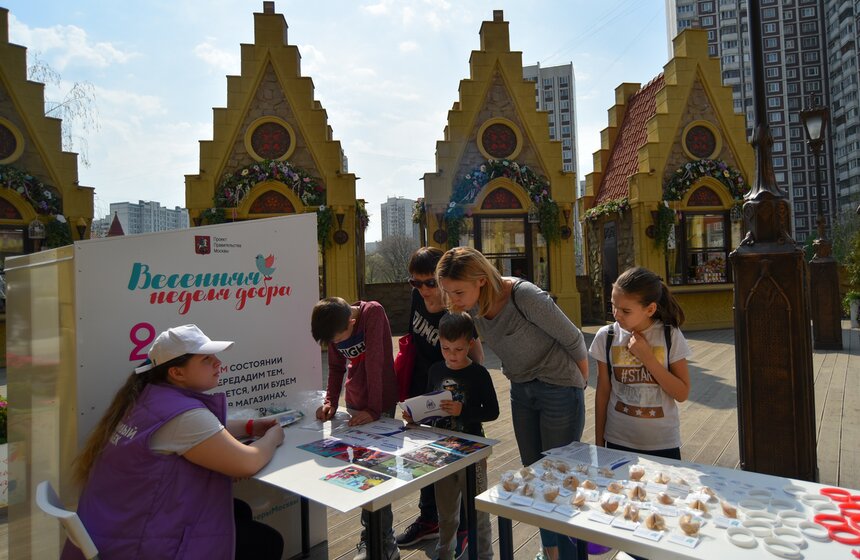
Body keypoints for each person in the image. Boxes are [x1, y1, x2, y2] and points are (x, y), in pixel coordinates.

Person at [63, 324, 285, 560]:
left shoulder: (150, 397)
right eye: (207, 359)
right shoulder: (183, 416)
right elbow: (247, 463)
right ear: (177, 373)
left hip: (116, 528)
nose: (218, 363)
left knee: (238, 510)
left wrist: (250, 426)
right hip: (138, 544)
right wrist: (273, 436)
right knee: (268, 542)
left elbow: (200, 432)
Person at [436, 247, 589, 560]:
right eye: (447, 292)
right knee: (536, 476)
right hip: (521, 390)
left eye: (458, 292)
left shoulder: (523, 296)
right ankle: (551, 552)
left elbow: (573, 338)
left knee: (559, 477)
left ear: (481, 280)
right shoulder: (474, 309)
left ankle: (569, 555)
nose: (452, 300)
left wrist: (579, 382)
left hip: (559, 389)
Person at [396, 247, 484, 552]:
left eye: (429, 283)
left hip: (452, 401)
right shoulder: (416, 300)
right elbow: (413, 346)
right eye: (415, 283)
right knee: (423, 458)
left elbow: (477, 361)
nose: (422, 290)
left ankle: (466, 530)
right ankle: (429, 520)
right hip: (422, 394)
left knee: (457, 467)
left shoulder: (457, 313)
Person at [311, 296, 399, 560]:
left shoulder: (372, 313)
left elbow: (375, 363)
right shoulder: (335, 322)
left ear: (351, 321)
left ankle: (384, 542)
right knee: (362, 475)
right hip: (355, 406)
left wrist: (373, 410)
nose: (337, 345)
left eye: (339, 339)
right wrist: (329, 401)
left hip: (379, 405)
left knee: (379, 475)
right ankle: (369, 537)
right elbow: (337, 368)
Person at [590, 266, 691, 459]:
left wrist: (648, 358)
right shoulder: (606, 337)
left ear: (650, 309)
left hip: (663, 443)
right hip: (617, 440)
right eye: (613, 305)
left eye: (626, 310)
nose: (616, 314)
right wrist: (599, 443)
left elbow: (682, 393)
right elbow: (603, 392)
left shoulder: (670, 335)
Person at [421, 312, 498, 560]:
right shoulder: (434, 370)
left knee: (478, 511)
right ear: (439, 342)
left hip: (472, 453)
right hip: (441, 453)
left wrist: (463, 411)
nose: (452, 355)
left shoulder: (479, 374)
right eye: (446, 348)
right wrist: (415, 415)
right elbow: (428, 403)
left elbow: (493, 411)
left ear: (470, 345)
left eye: (458, 349)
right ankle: (445, 553)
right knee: (446, 513)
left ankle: (484, 555)